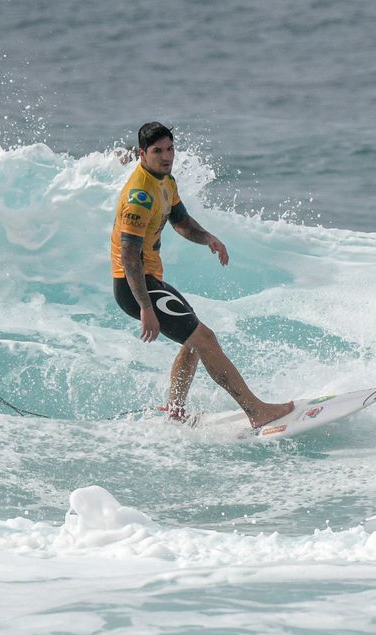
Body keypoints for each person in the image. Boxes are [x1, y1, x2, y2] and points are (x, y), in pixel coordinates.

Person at [111, 122, 294, 428]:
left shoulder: (165, 181)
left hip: (150, 280)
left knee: (194, 339)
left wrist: (209, 238)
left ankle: (176, 411)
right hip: (136, 285)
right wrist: (145, 308)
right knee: (205, 338)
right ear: (142, 153)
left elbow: (180, 221)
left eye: (170, 149)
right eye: (157, 151)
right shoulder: (139, 196)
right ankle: (256, 412)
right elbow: (129, 257)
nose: (166, 156)